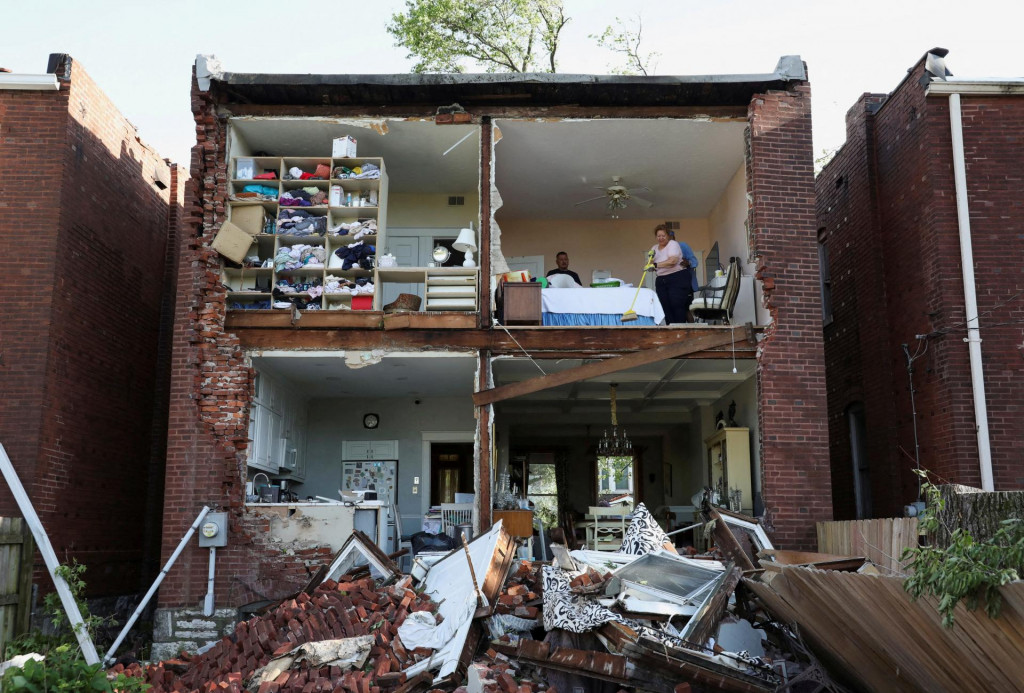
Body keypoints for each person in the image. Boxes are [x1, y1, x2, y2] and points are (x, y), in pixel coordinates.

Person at [649, 224, 698, 324]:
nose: (661, 238)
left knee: (679, 305)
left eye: (663, 235)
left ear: (668, 236)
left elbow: (675, 261)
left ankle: (680, 329)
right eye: (658, 236)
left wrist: (688, 263)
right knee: (665, 306)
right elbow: (651, 263)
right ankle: (670, 329)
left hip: (678, 278)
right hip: (662, 280)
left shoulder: (677, 244)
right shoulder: (654, 248)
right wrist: (651, 266)